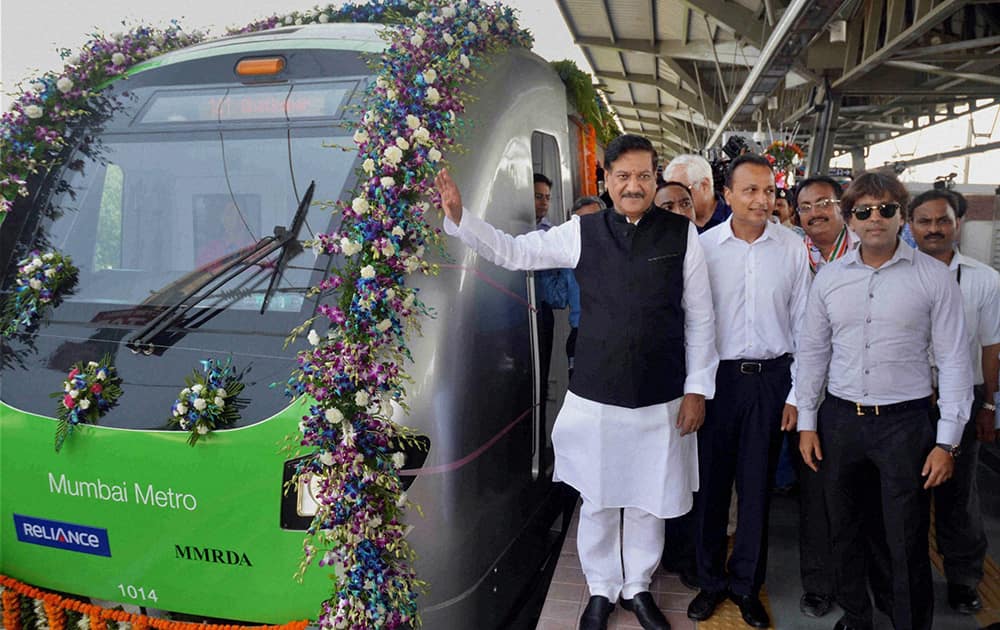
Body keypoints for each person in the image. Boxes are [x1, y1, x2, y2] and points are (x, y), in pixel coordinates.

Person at [435, 133, 718, 630]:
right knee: (600, 495)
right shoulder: (582, 231)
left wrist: (697, 389)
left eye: (644, 176)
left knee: (650, 499)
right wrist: (462, 220)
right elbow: (516, 252)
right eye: (623, 176)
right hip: (596, 394)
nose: (634, 185)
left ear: (656, 180)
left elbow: (700, 318)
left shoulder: (681, 234)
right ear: (605, 181)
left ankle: (639, 587)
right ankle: (603, 588)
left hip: (662, 395)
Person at [797, 172, 973, 630]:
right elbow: (814, 353)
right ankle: (858, 619)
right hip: (840, 420)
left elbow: (954, 362)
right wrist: (808, 424)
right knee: (845, 531)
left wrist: (947, 442)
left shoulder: (935, 279)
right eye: (864, 211)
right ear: (849, 219)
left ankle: (909, 622)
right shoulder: (830, 279)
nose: (875, 219)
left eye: (886, 209)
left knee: (906, 536)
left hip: (906, 424)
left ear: (902, 216)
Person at [686, 153, 810, 629]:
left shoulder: (792, 248)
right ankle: (710, 582)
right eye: (751, 190)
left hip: (772, 381)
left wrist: (798, 393)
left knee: (757, 489)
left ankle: (745, 586)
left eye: (770, 191)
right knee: (711, 488)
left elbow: (804, 324)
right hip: (716, 381)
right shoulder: (703, 247)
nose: (762, 200)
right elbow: (692, 322)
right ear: (728, 196)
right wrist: (692, 387)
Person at [908, 188, 1000, 615]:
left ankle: (963, 579)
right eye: (924, 221)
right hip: (905, 402)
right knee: (903, 492)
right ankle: (903, 576)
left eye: (942, 220)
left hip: (962, 400)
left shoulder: (984, 279)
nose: (933, 228)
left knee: (958, 495)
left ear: (958, 223)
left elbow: (991, 347)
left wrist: (989, 405)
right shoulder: (896, 273)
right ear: (910, 225)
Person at [789, 175, 860, 619]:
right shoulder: (794, 252)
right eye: (804, 206)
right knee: (815, 495)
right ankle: (818, 582)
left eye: (823, 203)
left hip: (865, 391)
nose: (814, 212)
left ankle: (859, 584)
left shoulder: (870, 248)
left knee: (861, 497)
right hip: (814, 393)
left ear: (842, 206)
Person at [564, 195, 606, 378]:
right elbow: (557, 298)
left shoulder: (624, 253)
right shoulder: (568, 258)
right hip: (581, 336)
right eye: (582, 221)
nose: (589, 226)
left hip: (613, 336)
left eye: (594, 219)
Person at [663, 154, 732, 233]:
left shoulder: (737, 218)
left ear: (704, 185)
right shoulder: (671, 224)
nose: (674, 200)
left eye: (681, 191)